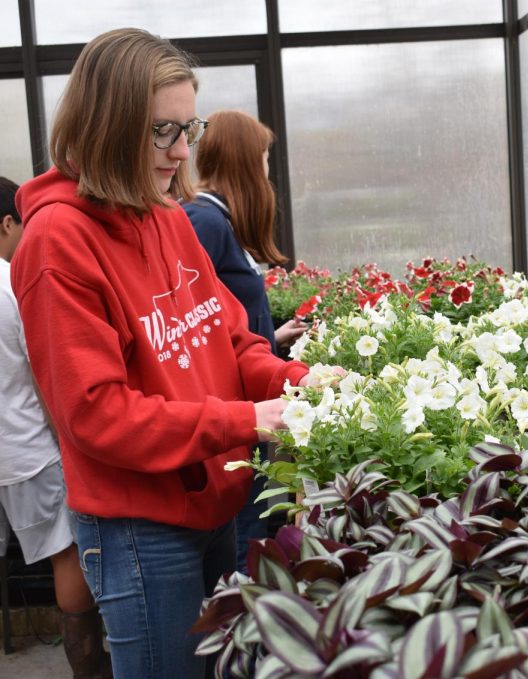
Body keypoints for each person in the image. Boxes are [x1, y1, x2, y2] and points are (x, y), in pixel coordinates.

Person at [9, 29, 309, 679]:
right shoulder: (58, 241)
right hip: (141, 531)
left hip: (215, 504)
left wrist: (298, 380)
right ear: (106, 126)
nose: (180, 150)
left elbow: (230, 339)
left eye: (187, 128)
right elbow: (95, 413)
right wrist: (246, 420)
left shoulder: (167, 215)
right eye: (160, 131)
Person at [182, 110, 307, 571]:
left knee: (251, 523)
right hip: (232, 417)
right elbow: (189, 323)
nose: (267, 169)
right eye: (263, 157)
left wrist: (270, 338)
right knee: (243, 536)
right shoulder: (204, 222)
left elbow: (217, 320)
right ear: (245, 160)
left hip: (248, 407)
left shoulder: (220, 221)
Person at [1, 176, 111, 678]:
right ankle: (91, 668)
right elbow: (44, 371)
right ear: (8, 223)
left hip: (8, 452)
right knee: (65, 556)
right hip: (28, 448)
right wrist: (73, 438)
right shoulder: (11, 282)